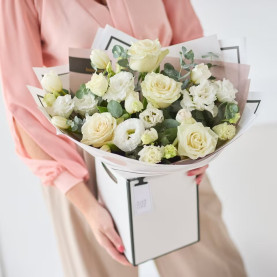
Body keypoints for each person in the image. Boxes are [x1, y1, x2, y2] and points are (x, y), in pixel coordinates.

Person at [0, 0, 247, 276]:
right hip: (78, 163)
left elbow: (193, 44)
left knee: (211, 267)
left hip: (174, 140)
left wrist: (204, 141)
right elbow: (23, 106)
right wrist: (87, 206)